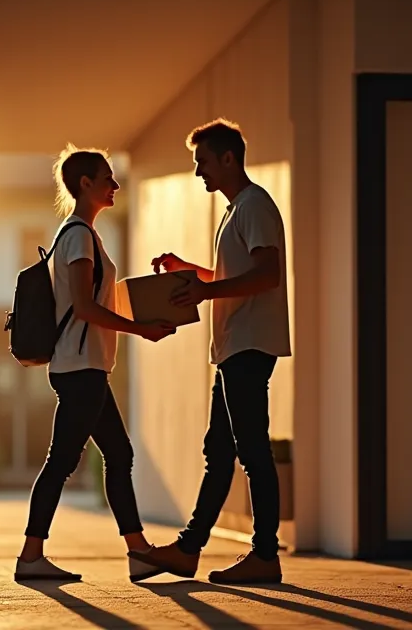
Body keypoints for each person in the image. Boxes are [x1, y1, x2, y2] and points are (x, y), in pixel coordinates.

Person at [15, 145, 177, 584]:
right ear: (85, 184)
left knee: (117, 453)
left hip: (87, 367)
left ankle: (139, 551)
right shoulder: (79, 236)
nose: (115, 186)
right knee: (62, 461)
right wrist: (141, 329)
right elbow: (85, 306)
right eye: (108, 178)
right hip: (80, 367)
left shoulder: (80, 234)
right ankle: (31, 557)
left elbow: (92, 300)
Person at [144, 118, 292, 585]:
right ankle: (190, 549)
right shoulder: (235, 211)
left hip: (249, 345)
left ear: (228, 158)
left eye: (202, 162)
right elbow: (237, 275)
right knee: (220, 451)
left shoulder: (254, 206)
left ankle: (264, 556)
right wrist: (189, 272)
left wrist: (206, 293)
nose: (198, 172)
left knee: (251, 452)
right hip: (232, 347)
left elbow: (268, 275)